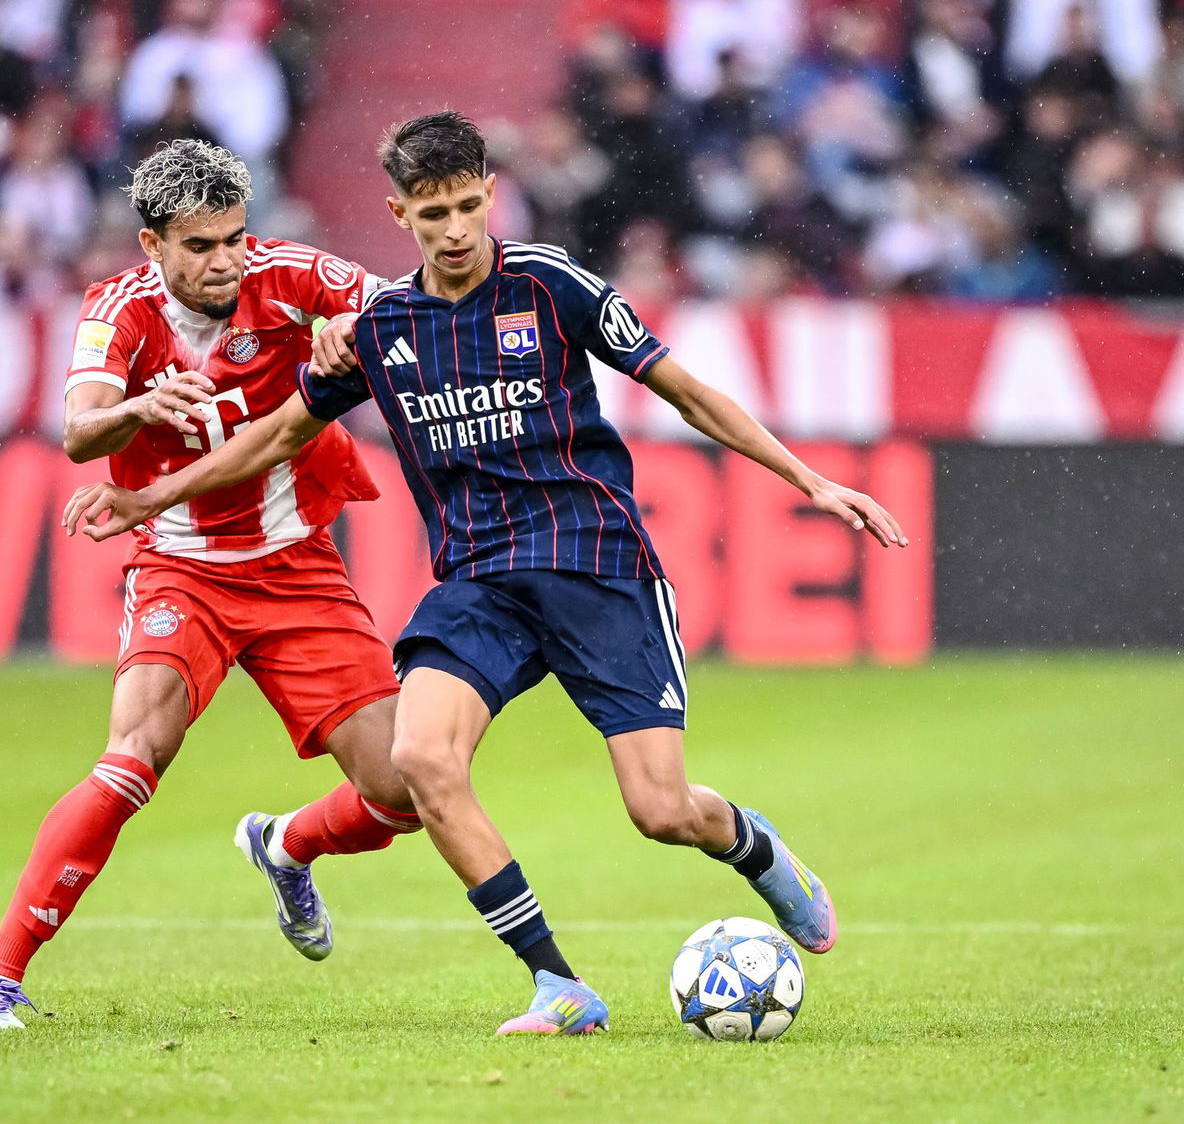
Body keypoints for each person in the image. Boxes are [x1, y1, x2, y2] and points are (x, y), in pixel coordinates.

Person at [70, 111, 908, 1036]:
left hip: (598, 567)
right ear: (400, 214)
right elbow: (276, 436)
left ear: (490, 196)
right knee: (421, 758)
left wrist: (810, 479)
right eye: (435, 215)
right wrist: (155, 497)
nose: (457, 230)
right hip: (481, 584)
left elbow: (686, 389)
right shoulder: (384, 328)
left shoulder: (550, 284)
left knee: (661, 809)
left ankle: (758, 854)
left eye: (471, 206)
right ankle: (558, 985)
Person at [0, 139, 423, 1028]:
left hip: (297, 567)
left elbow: (405, 310)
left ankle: (285, 847)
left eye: (234, 239)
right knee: (132, 757)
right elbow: (80, 434)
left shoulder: (291, 275)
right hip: (182, 565)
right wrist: (136, 408)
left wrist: (354, 330)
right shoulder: (119, 312)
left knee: (405, 790)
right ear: (151, 245)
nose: (224, 262)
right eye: (200, 246)